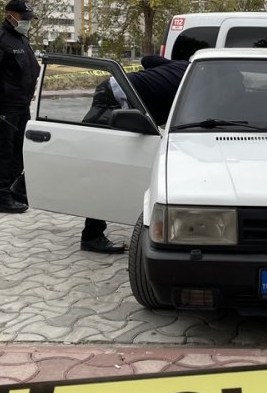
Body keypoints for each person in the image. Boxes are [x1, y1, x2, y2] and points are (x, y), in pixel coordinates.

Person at [78, 54, 191, 253]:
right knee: (104, 165)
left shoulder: (183, 65)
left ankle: (21, 186)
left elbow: (148, 60)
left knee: (101, 159)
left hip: (112, 88)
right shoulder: (196, 85)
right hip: (117, 99)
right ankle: (91, 235)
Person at [0, 0, 41, 213]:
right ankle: (1, 197)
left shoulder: (20, 39)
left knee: (19, 151)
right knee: (3, 151)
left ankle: (15, 191)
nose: (27, 22)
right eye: (24, 18)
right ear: (10, 15)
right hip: (4, 108)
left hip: (21, 105)